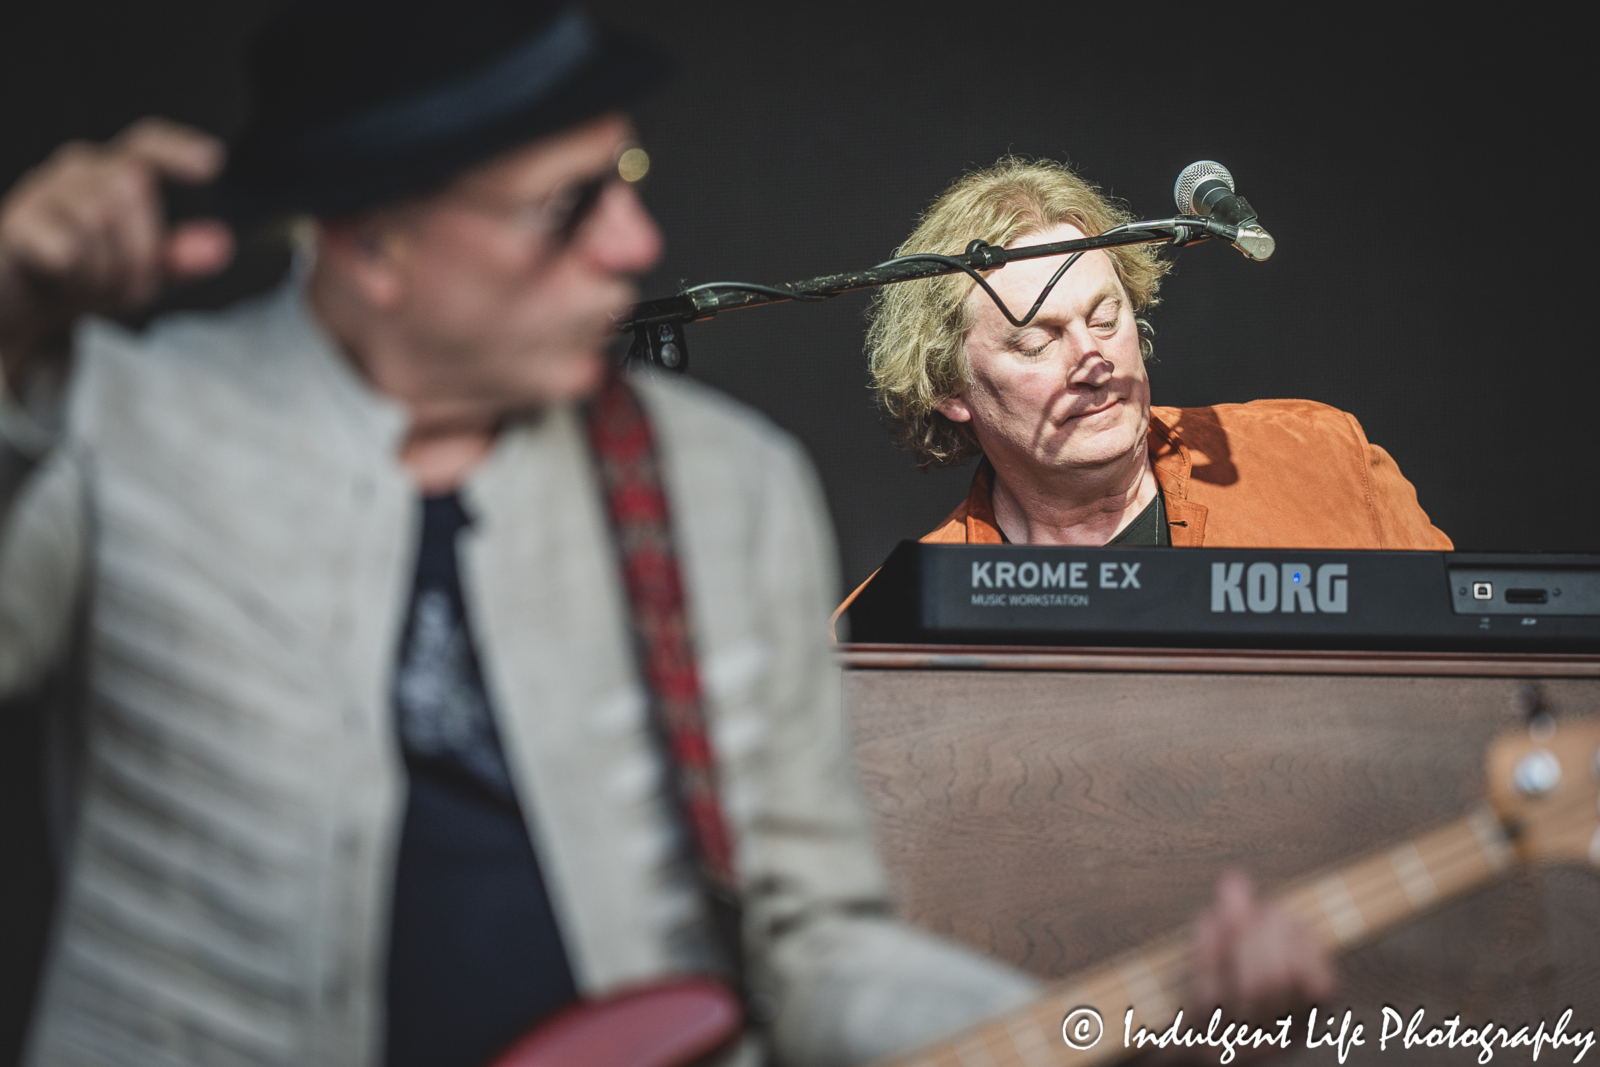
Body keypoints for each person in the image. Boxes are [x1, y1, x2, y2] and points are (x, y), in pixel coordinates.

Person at [0, 5, 1332, 1065]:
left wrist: (1113, 1024)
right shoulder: (119, 427)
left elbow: (813, 952)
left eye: (624, 176)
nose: (638, 238)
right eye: (570, 204)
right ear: (375, 245)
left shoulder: (718, 490)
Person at [863, 157, 1452, 551]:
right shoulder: (893, 619)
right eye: (1038, 341)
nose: (1093, 359)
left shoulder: (1326, 463)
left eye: (1105, 317)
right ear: (949, 389)